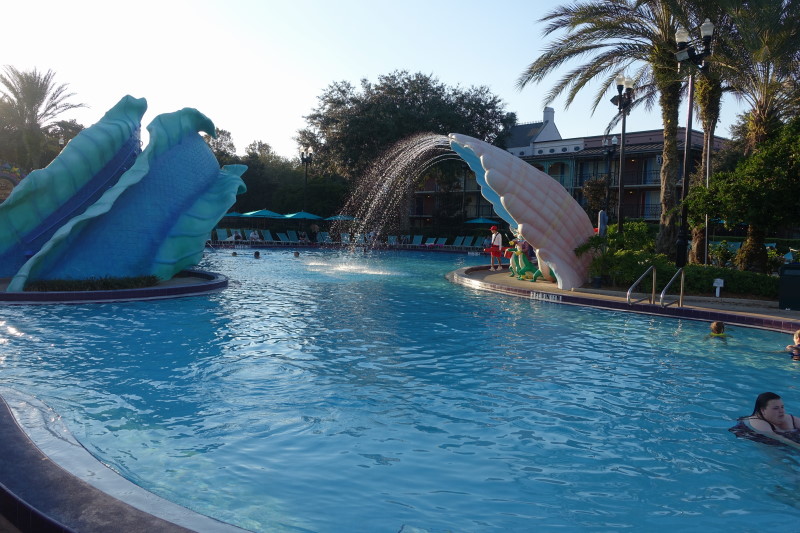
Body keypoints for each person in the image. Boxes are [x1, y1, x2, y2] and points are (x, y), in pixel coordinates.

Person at [731, 392, 800, 448]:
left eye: (782, 407)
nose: (781, 411)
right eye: (776, 408)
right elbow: (781, 439)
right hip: (764, 439)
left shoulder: (790, 419)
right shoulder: (757, 423)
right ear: (763, 410)